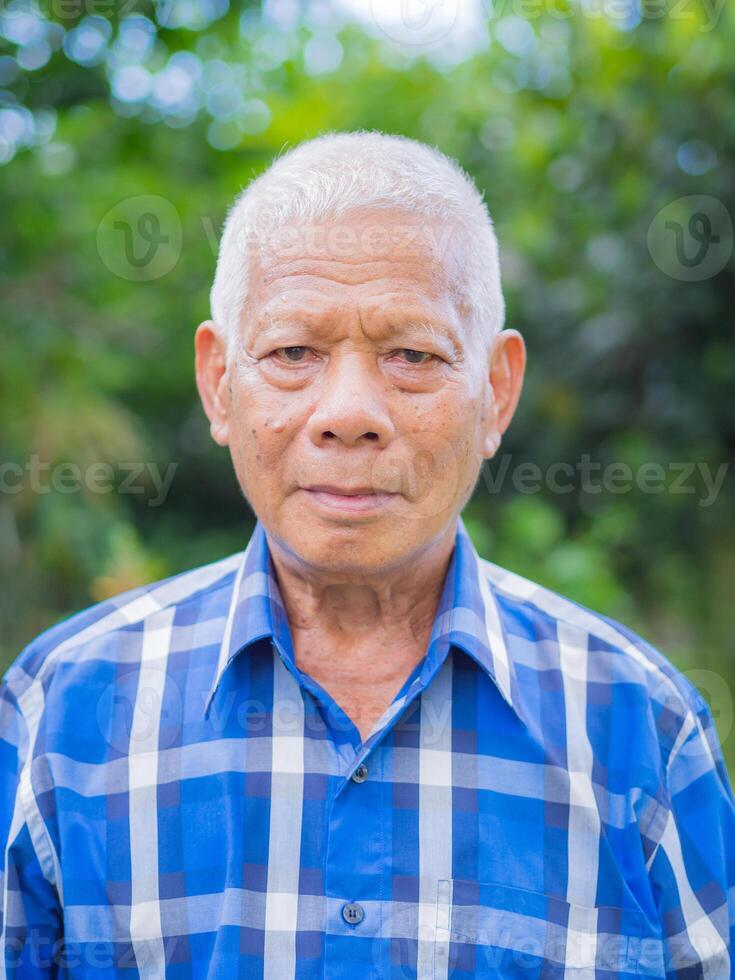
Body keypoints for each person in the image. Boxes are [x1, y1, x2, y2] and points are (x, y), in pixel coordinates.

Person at [1, 131, 733, 979]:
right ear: (217, 383)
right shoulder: (61, 713)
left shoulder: (638, 725)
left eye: (412, 355)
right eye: (291, 354)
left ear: (495, 391)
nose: (348, 412)